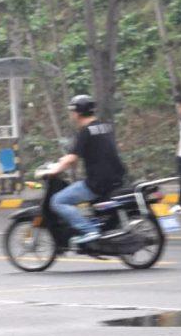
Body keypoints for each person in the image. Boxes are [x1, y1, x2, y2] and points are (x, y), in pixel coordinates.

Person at [45, 95, 127, 244]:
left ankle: (89, 230)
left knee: (57, 201)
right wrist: (63, 161)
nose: (71, 115)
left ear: (78, 113)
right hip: (116, 178)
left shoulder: (86, 131)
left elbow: (72, 158)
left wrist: (54, 170)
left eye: (72, 111)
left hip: (97, 183)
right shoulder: (105, 127)